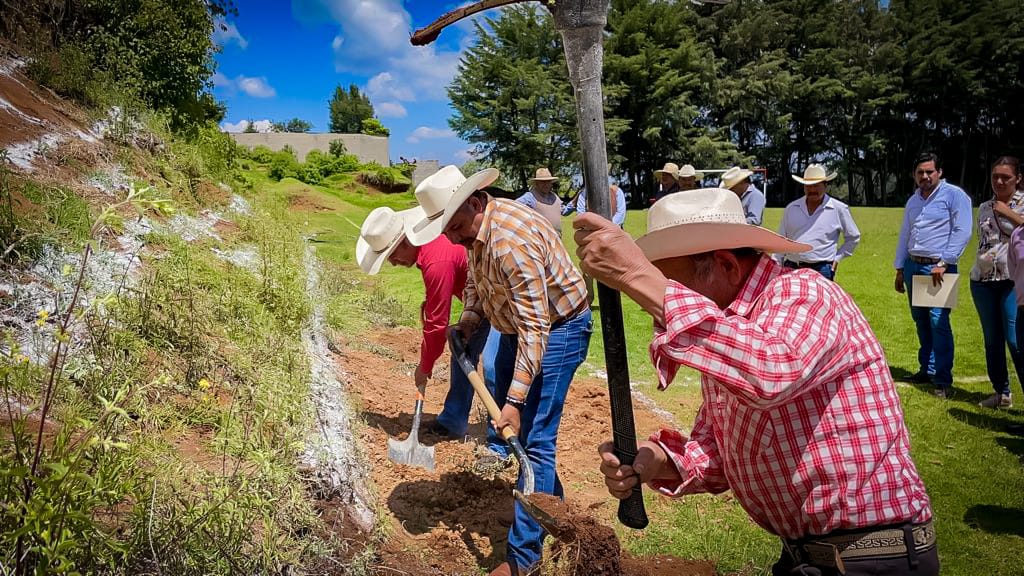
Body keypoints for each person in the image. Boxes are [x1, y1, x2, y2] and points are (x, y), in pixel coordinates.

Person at [573, 188, 937, 576]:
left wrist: (636, 275)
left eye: (675, 287)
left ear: (727, 265)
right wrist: (657, 461)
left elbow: (771, 373)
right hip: (813, 556)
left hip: (875, 556)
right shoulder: (728, 333)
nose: (666, 311)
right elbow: (723, 449)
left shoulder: (804, 293)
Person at [407, 165, 592, 576]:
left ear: (475, 202)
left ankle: (523, 559)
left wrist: (513, 400)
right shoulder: (474, 231)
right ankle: (549, 513)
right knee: (522, 436)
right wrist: (471, 318)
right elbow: (477, 280)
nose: (454, 239)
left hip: (559, 329)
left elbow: (535, 327)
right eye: (447, 232)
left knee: (537, 438)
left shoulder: (509, 240)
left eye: (455, 227)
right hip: (516, 327)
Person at [356, 200, 502, 453]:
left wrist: (424, 367)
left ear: (404, 241)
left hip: (500, 301)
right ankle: (453, 421)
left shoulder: (436, 260)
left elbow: (437, 324)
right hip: (480, 303)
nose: (393, 263)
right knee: (461, 349)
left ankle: (500, 442)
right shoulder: (430, 253)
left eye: (391, 256)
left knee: (494, 365)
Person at [894, 152, 973, 397]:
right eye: (920, 172)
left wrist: (945, 261)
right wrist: (899, 267)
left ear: (939, 172)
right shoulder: (913, 200)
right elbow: (905, 234)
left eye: (930, 171)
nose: (925, 176)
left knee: (939, 323)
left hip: (938, 268)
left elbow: (962, 230)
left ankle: (942, 380)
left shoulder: (954, 196)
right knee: (921, 322)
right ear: (914, 175)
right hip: (913, 266)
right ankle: (926, 370)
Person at [973, 156, 1024, 409]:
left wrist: (1010, 214)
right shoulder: (984, 207)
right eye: (995, 177)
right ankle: (1001, 393)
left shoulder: (1023, 204)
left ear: (1018, 179)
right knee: (992, 340)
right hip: (982, 281)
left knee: (1015, 341)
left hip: (1011, 282)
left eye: (1006, 177)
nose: (999, 181)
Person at [777, 163, 861, 280]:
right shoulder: (791, 208)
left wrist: (837, 259)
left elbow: (853, 237)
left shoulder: (838, 209)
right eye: (808, 186)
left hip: (822, 270)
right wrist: (777, 264)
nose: (812, 190)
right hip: (792, 267)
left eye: (816, 185)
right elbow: (781, 240)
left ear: (825, 185)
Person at [516, 167, 563, 235]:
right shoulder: (530, 197)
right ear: (536, 183)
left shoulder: (554, 197)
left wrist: (575, 201)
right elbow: (513, 206)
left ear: (551, 183)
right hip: (539, 239)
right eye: (543, 182)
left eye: (548, 182)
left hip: (556, 238)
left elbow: (563, 210)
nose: (546, 184)